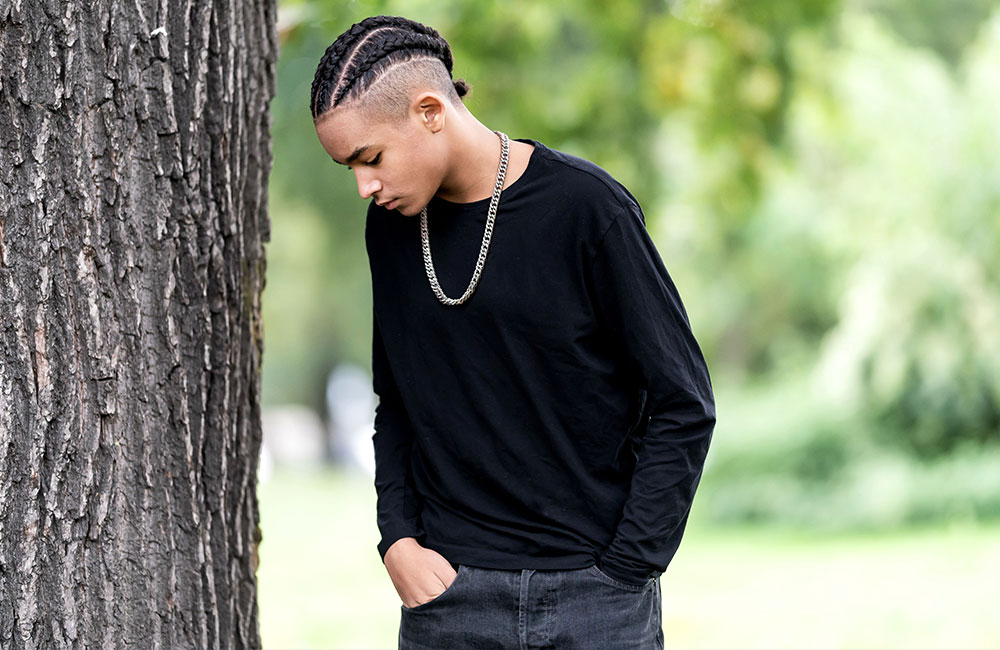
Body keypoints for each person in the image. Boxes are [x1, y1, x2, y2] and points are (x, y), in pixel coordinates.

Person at [310, 15, 716, 650]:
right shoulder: (390, 229)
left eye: (371, 158)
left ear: (429, 112)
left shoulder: (587, 210)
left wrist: (629, 567)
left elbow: (683, 401)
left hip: (595, 598)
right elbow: (397, 400)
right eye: (349, 168)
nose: (366, 186)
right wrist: (398, 540)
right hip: (449, 599)